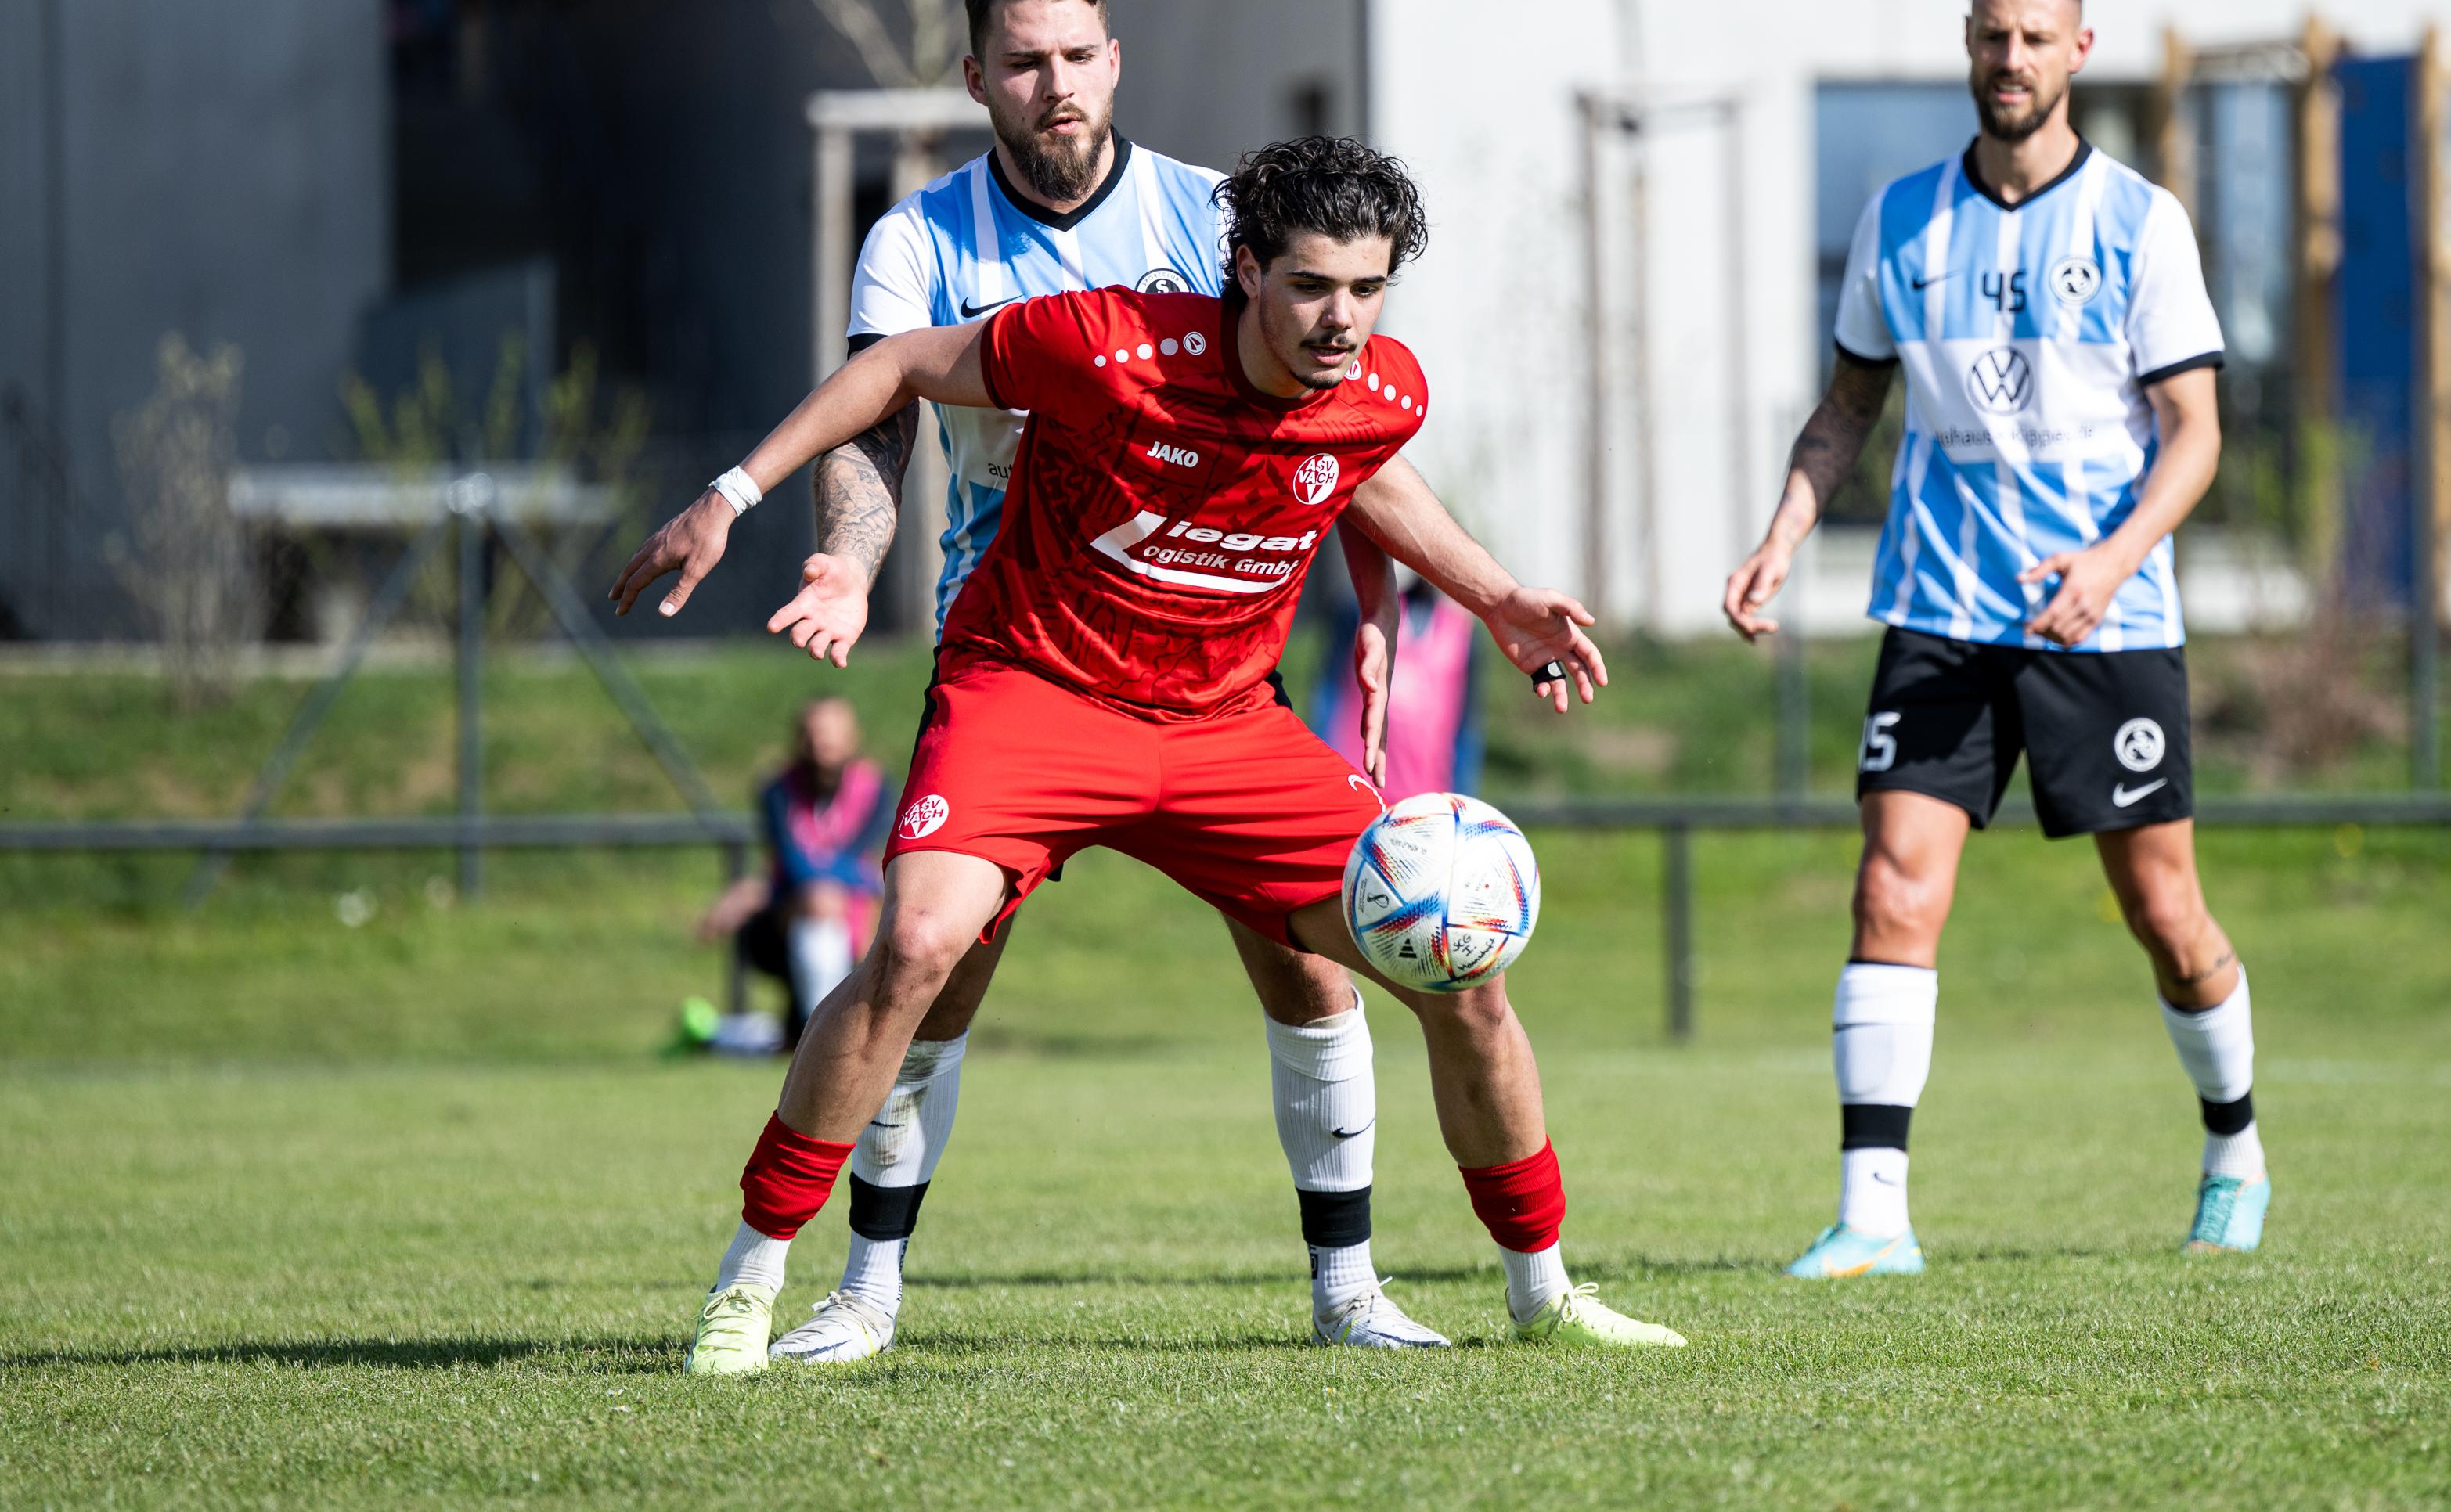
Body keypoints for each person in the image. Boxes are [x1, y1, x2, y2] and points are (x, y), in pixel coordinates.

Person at [615, 136, 1686, 1371]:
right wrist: (734, 496)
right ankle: (750, 1287)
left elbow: (1366, 466)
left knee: (1458, 964)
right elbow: (902, 365)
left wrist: (1495, 596)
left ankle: (1542, 1289)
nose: (1342, 320)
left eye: (1367, 289)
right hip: (1034, 692)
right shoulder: (1108, 345)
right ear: (1244, 268)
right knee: (914, 949)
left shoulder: (1382, 384)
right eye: (1311, 287)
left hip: (1227, 725)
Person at [733, 0, 1426, 1360]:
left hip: (1212, 655)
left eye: (1079, 54)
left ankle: (1349, 1291)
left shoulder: (1212, 216)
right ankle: (865, 1289)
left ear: (1115, 59)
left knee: (1311, 965)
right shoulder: (922, 238)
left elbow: (1332, 421)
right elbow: (882, 409)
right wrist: (849, 566)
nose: (1057, 84)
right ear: (978, 75)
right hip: (1019, 655)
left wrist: (1377, 614)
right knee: (938, 956)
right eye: (1026, 60)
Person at [1722, 0, 2268, 1280]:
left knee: (2166, 913)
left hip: (2107, 622)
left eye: (2035, 36)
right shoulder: (1903, 220)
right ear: (1966, 46)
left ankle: (2235, 1149)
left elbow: (2194, 436)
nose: (2010, 58)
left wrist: (2112, 557)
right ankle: (1873, 1214)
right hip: (1941, 613)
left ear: (2081, 48)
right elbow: (1850, 408)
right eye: (1990, 35)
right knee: (1892, 887)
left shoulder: (2141, 223)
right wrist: (1785, 531)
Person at [694, 697, 888, 1050]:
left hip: (854, 913)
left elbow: (858, 859)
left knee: (835, 903)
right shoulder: (777, 790)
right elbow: (794, 862)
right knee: (818, 902)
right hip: (786, 916)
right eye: (812, 735)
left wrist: (760, 888)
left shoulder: (874, 787)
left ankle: (821, 1033)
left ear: (852, 738)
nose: (820, 745)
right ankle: (824, 1038)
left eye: (831, 734)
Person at [1313, 576, 1483, 800]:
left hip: (1423, 795)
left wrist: (1461, 796)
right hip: (1357, 782)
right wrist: (1322, 765)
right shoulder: (1365, 613)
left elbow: (1465, 723)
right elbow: (1329, 693)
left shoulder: (1461, 631)